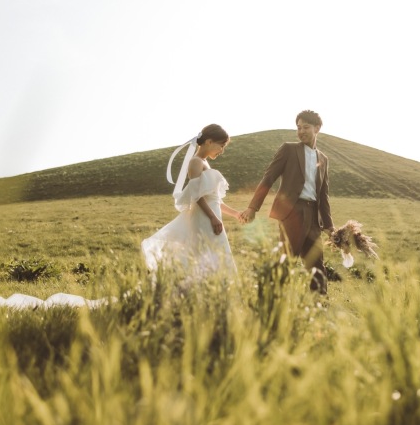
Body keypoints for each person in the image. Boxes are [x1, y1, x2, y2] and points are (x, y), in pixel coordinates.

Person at [239, 110, 334, 294]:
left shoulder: (323, 159)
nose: (301, 131)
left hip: (313, 215)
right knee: (288, 259)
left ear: (317, 128)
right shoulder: (288, 149)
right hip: (292, 212)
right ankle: (274, 299)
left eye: (305, 127)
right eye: (298, 127)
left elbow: (324, 195)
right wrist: (253, 207)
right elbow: (268, 178)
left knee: (317, 263)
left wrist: (329, 225)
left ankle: (320, 304)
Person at [142, 124, 240, 276]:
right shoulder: (196, 162)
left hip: (212, 216)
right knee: (208, 252)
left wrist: (235, 214)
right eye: (221, 145)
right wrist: (213, 218)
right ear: (209, 142)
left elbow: (215, 199)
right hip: (205, 217)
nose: (222, 150)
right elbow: (197, 196)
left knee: (216, 251)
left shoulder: (205, 162)